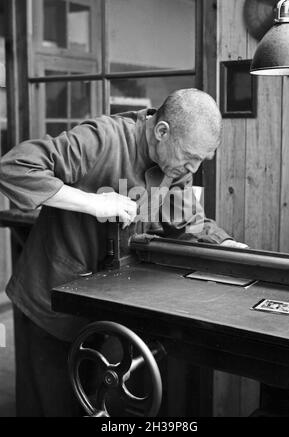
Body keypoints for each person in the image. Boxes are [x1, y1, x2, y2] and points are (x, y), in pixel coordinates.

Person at [0, 88, 247, 417]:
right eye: (191, 156)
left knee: (96, 405)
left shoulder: (176, 167)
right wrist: (94, 203)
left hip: (110, 307)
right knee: (52, 404)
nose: (194, 166)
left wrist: (227, 246)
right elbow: (14, 167)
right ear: (162, 132)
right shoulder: (102, 139)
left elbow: (186, 223)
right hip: (51, 299)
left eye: (202, 158)